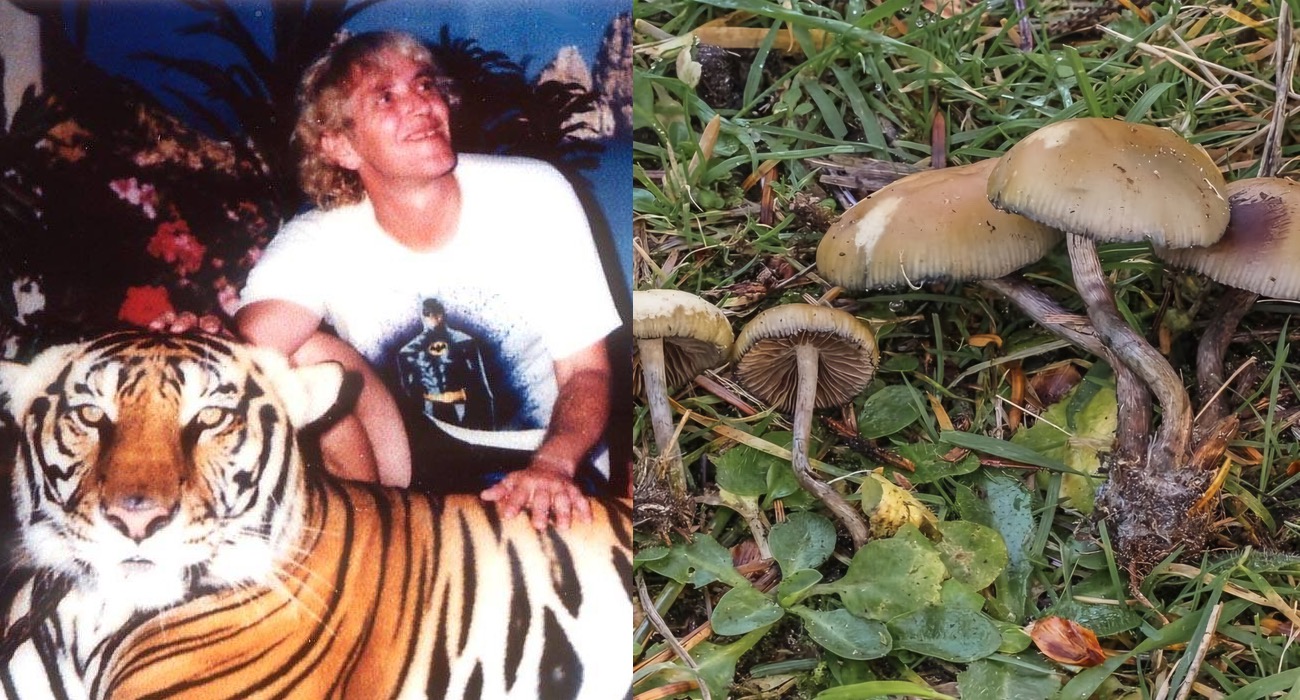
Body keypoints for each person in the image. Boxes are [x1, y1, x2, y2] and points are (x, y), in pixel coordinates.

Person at [170, 31, 620, 530]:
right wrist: (192, 346)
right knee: (301, 354)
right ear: (339, 144)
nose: (423, 105)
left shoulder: (533, 194)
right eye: (386, 96)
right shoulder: (320, 238)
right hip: (414, 457)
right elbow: (249, 349)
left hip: (547, 457)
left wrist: (552, 465)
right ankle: (363, 530)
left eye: (426, 86)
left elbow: (587, 373)